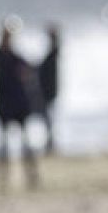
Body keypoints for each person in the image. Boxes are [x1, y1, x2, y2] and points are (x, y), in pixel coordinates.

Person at [0, 21, 40, 191]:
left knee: (25, 142)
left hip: (18, 103)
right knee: (4, 143)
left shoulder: (16, 57)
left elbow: (30, 73)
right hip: (5, 104)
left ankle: (31, 175)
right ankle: (3, 177)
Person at [33, 24, 62, 157]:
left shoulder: (52, 54)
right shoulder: (51, 54)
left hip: (48, 91)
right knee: (47, 120)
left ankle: (50, 145)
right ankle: (50, 144)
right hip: (48, 91)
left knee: (47, 120)